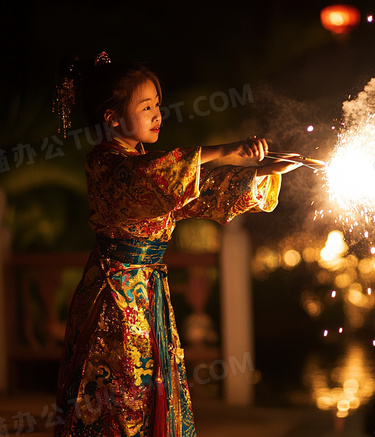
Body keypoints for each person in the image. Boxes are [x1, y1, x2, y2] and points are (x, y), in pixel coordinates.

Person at [53, 52, 300, 437]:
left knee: (151, 393)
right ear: (112, 117)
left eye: (157, 105)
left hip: (146, 294)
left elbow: (194, 192)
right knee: (121, 396)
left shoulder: (141, 163)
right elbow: (154, 178)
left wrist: (263, 171)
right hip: (115, 298)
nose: (157, 115)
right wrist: (224, 150)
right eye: (146, 106)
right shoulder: (107, 164)